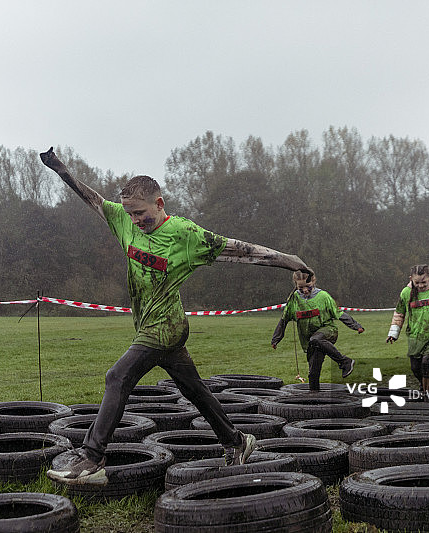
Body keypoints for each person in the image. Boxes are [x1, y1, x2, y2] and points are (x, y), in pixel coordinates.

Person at [39, 147, 312, 485]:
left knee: (117, 378)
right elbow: (92, 199)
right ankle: (237, 441)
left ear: (160, 204)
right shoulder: (123, 218)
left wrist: (288, 259)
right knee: (194, 390)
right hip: (160, 326)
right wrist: (60, 169)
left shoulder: (186, 235)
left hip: (163, 328)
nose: (136, 221)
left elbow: (238, 249)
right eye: (131, 215)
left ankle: (91, 458)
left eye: (141, 213)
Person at [270, 270, 363, 390]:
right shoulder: (294, 300)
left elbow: (338, 313)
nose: (305, 290)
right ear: (295, 285)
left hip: (328, 331)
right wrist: (276, 339)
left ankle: (345, 361)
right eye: (300, 288)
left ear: (314, 281)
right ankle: (314, 399)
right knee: (313, 373)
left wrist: (356, 326)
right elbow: (284, 319)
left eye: (308, 286)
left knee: (315, 339)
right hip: (310, 341)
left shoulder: (324, 296)